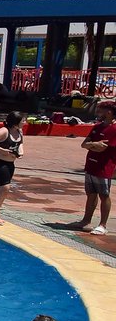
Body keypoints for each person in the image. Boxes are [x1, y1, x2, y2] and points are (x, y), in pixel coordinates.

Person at [68, 99, 116, 235]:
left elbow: (102, 148)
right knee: (91, 194)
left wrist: (93, 145)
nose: (97, 112)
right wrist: (95, 144)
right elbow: (84, 144)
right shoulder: (97, 127)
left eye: (100, 109)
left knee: (104, 195)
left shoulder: (114, 129)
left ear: (109, 112)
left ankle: (103, 224)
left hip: (104, 167)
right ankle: (86, 221)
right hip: (91, 165)